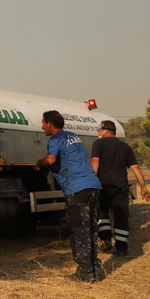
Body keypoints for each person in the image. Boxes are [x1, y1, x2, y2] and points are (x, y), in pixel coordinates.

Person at [36, 110, 105, 282]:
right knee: (91, 230)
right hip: (94, 186)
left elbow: (51, 160)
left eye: (43, 122)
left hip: (77, 189)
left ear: (50, 124)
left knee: (79, 231)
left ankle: (85, 274)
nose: (42, 126)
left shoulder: (55, 139)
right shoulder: (73, 136)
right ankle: (95, 269)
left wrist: (39, 163)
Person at [90, 119, 150, 257]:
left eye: (99, 129)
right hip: (121, 187)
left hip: (102, 185)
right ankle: (122, 248)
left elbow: (95, 161)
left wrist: (91, 181)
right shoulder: (125, 147)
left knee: (101, 212)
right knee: (121, 217)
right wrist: (143, 187)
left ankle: (105, 238)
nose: (98, 132)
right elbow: (135, 168)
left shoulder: (98, 143)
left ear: (105, 130)